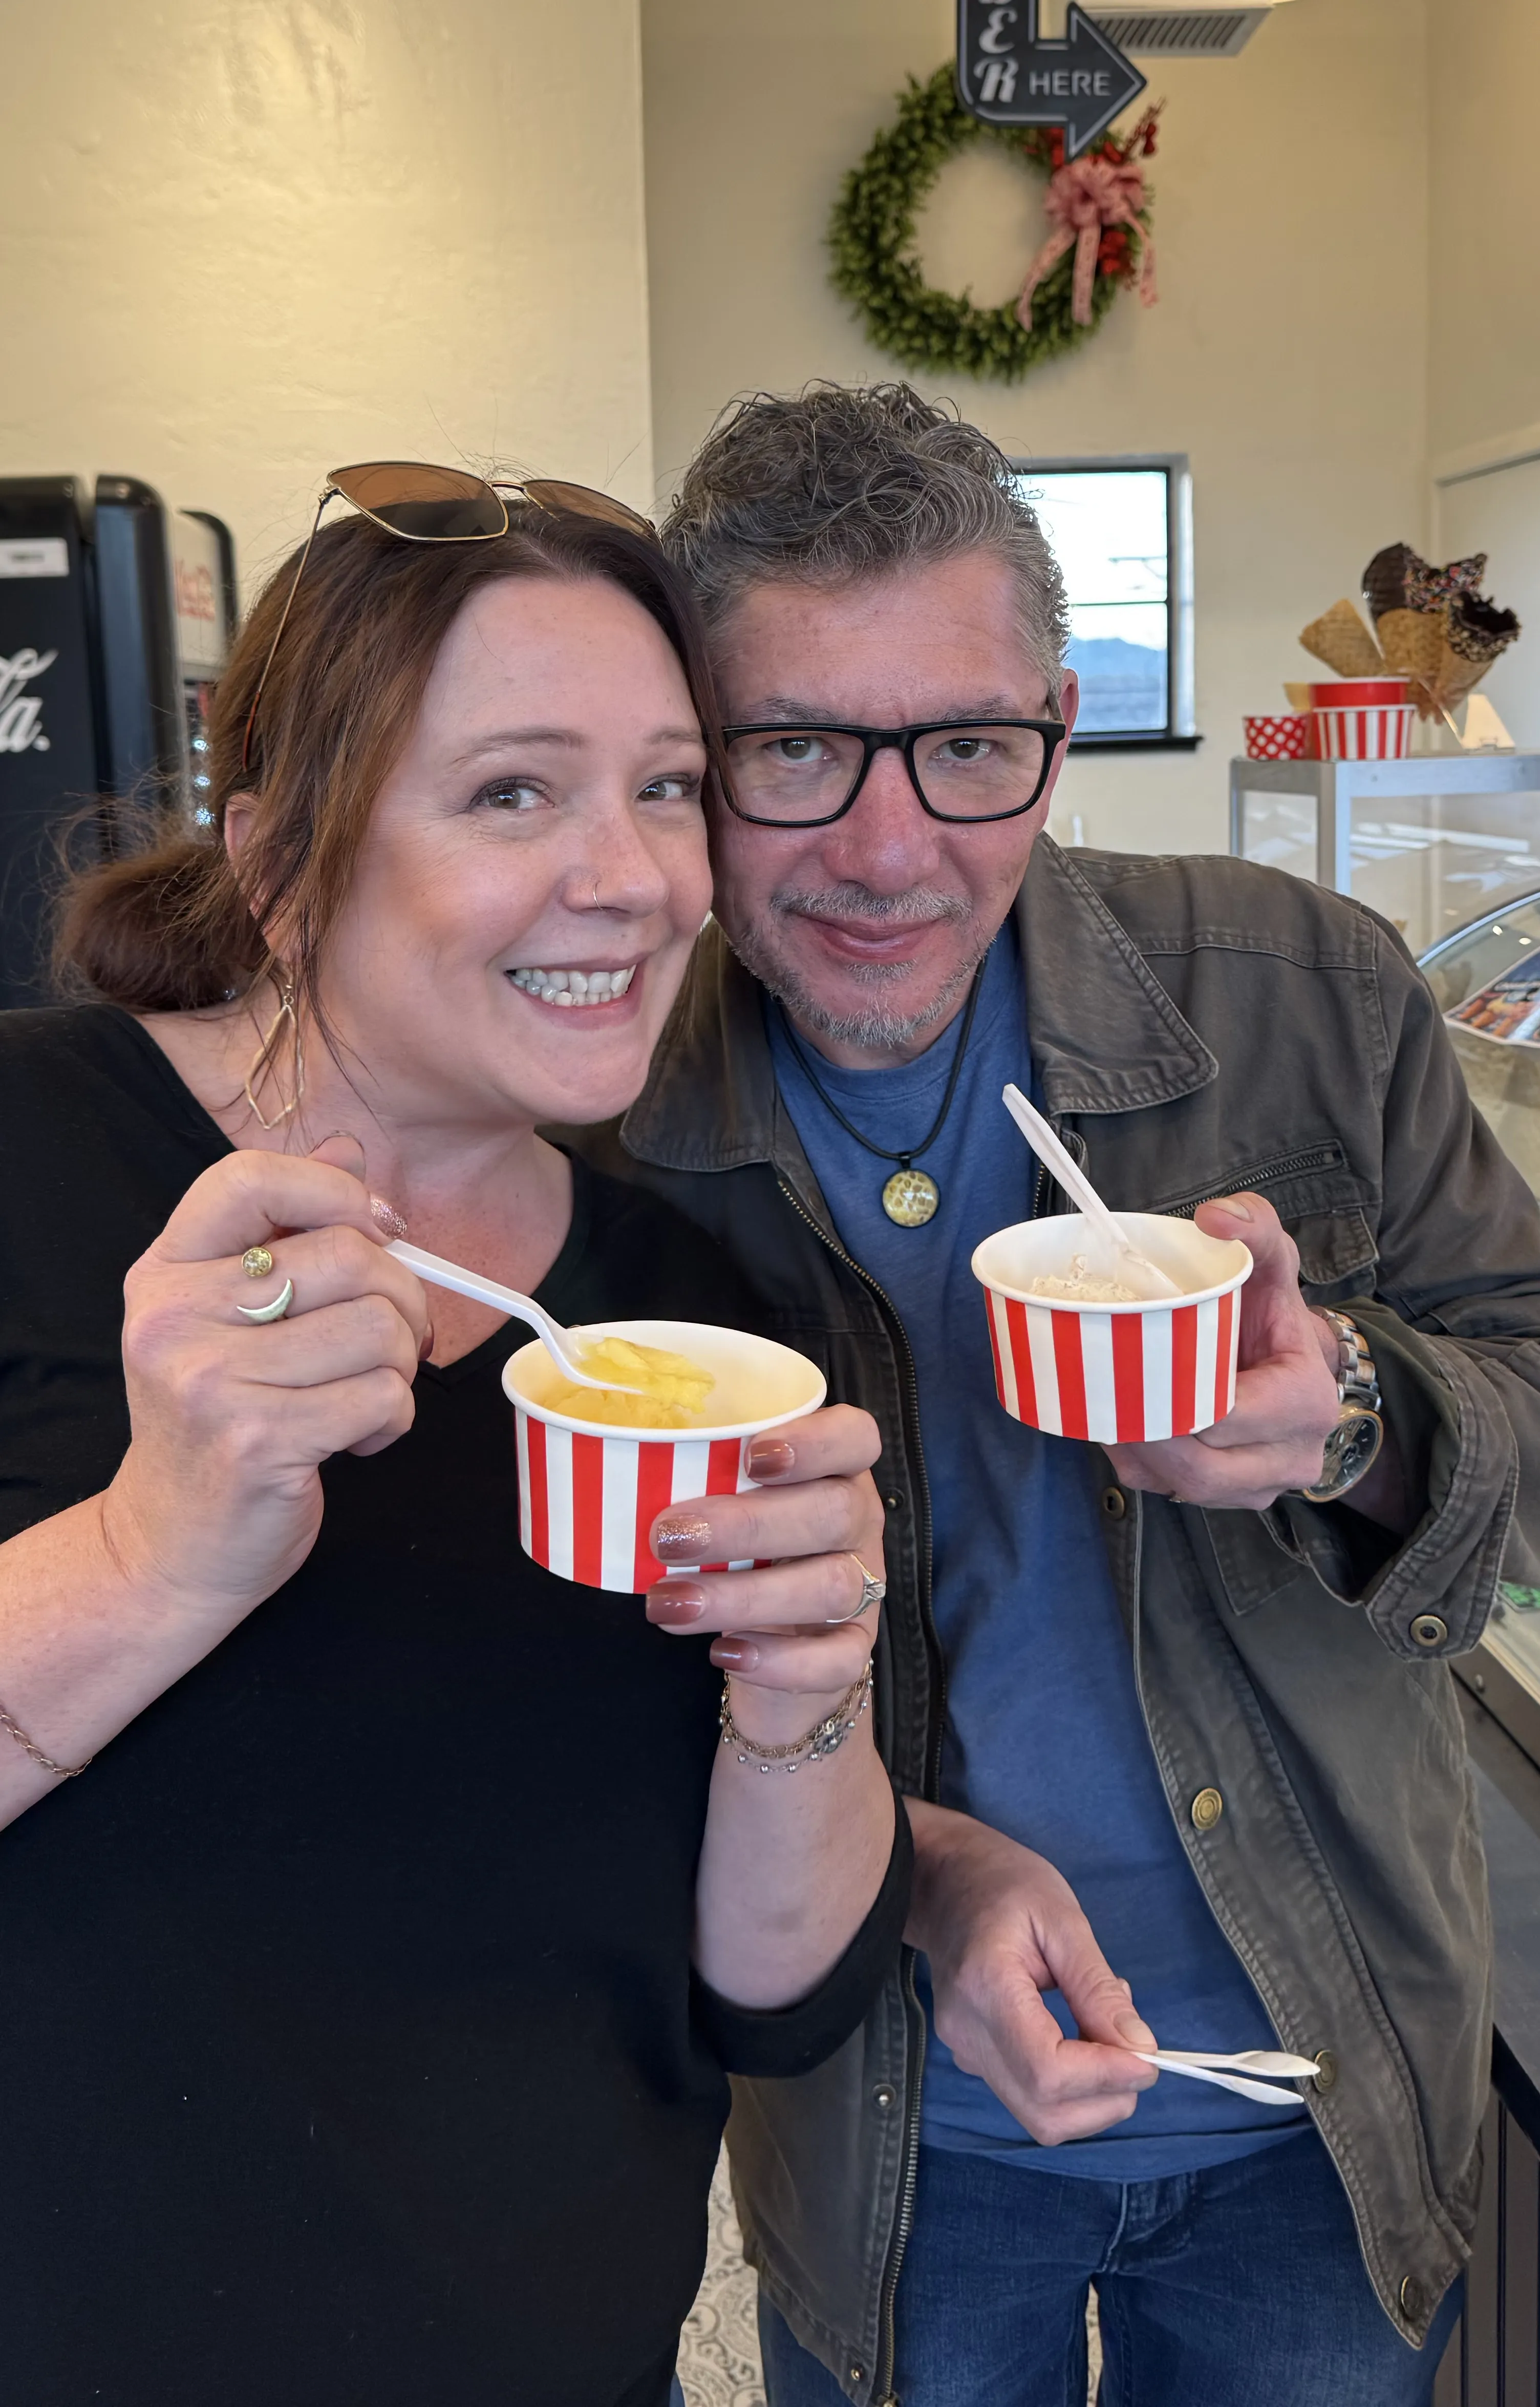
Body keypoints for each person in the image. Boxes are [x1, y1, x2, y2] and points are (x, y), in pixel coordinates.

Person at [575, 387, 1540, 2405]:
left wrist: (1349, 1405)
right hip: (884, 2128)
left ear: (1055, 724)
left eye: (970, 748)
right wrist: (914, 1876)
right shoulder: (613, 1106)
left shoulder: (1299, 992)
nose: (890, 850)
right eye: (793, 749)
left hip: (1317, 2106)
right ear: (687, 764)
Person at [0, 469, 907, 2407]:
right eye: (515, 790)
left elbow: (773, 1992)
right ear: (278, 861)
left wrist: (803, 1693)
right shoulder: (30, 1156)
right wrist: (155, 1551)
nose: (639, 876)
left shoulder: (705, 1309)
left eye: (669, 787)